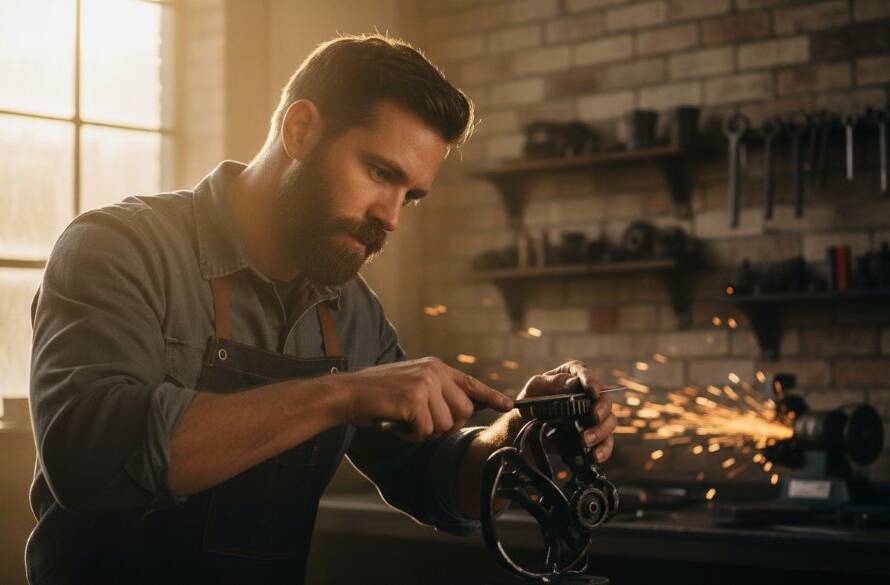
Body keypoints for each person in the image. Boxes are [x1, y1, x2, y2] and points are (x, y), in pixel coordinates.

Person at [26, 34, 617, 585]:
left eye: (408, 195)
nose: (390, 216)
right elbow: (91, 461)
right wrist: (342, 393)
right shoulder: (119, 248)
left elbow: (435, 480)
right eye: (380, 173)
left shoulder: (352, 310)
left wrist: (521, 436)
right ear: (302, 129)